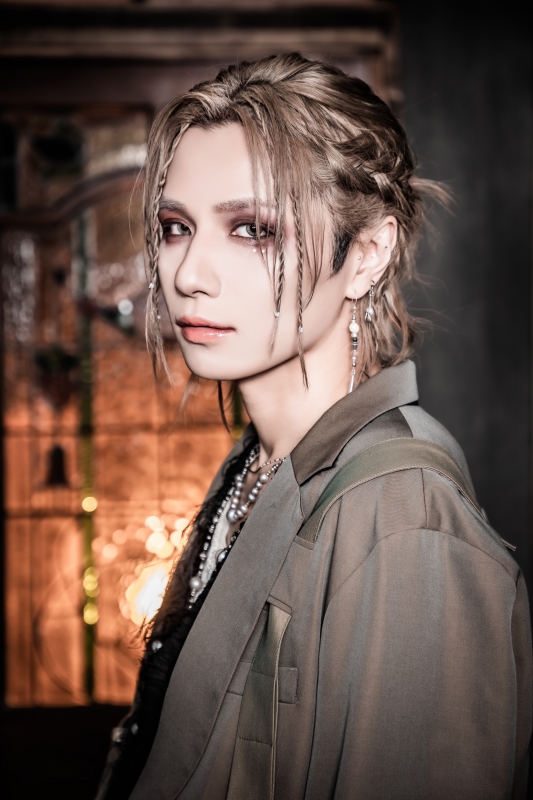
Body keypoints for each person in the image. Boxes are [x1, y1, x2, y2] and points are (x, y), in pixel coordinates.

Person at [96, 53, 532, 800]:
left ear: (366, 255)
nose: (189, 273)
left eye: (252, 229)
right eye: (175, 227)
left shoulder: (403, 521)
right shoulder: (254, 466)